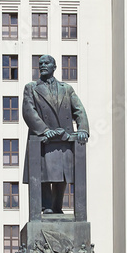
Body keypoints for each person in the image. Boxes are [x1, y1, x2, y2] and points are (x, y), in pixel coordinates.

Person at [22, 55, 89, 214]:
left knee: (62, 175)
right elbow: (28, 111)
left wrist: (82, 129)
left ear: (54, 66)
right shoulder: (31, 87)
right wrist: (45, 130)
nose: (43, 65)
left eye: (47, 63)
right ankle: (47, 206)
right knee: (44, 174)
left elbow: (79, 110)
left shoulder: (66, 88)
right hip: (44, 139)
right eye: (40, 63)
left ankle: (57, 206)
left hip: (64, 139)